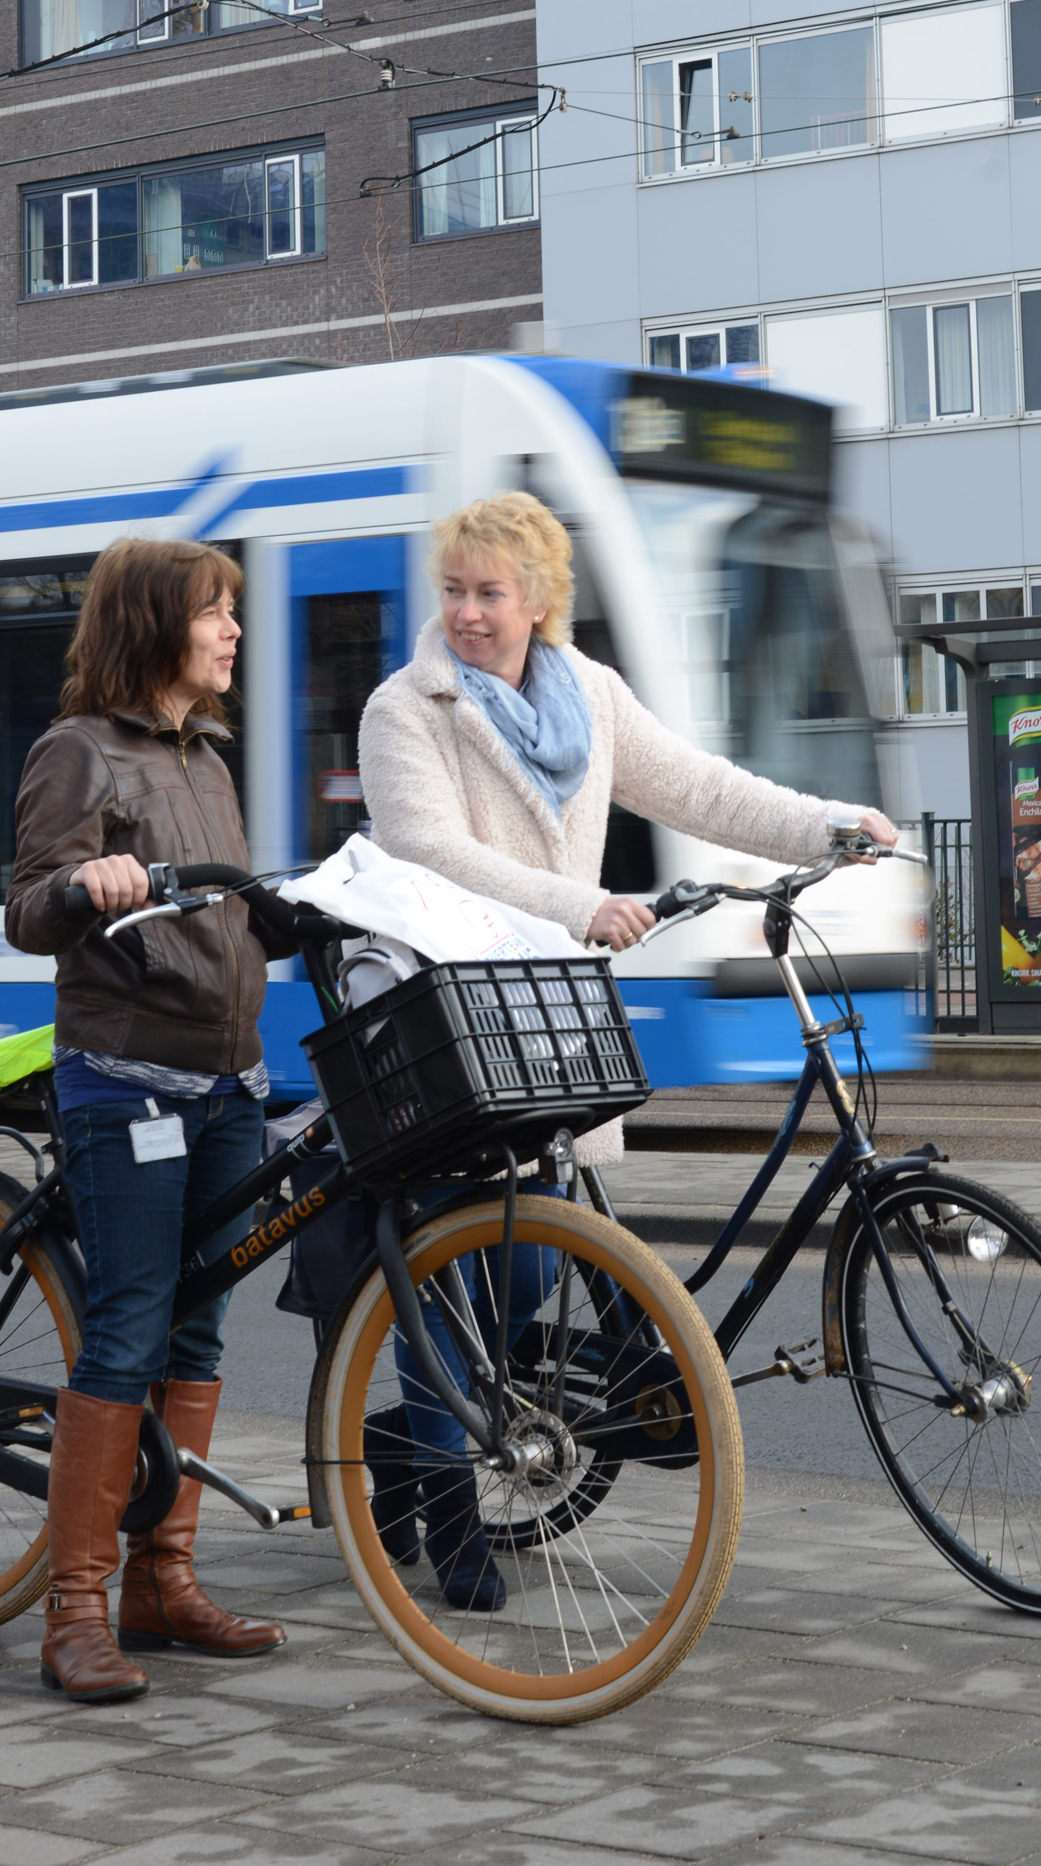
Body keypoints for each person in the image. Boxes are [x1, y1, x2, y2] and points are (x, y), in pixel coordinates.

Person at [355, 490, 896, 1606]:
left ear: (541, 602)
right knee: (460, 1270)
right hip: (454, 1021)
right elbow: (423, 852)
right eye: (452, 591)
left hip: (554, 1021)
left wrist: (829, 828)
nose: (465, 613)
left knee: (535, 1266)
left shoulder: (588, 696)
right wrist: (580, 901)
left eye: (488, 594)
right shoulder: (407, 708)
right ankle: (455, 1520)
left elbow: (699, 787)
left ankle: (404, 1439)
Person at [6, 534, 293, 1707]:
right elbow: (28, 908)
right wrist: (86, 885)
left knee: (201, 1335)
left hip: (229, 1082)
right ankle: (70, 1610)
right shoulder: (79, 753)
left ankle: (160, 1581)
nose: (233, 632)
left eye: (232, 612)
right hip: (127, 1081)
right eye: (216, 613)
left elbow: (229, 915)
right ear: (156, 626)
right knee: (126, 1328)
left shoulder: (210, 756)